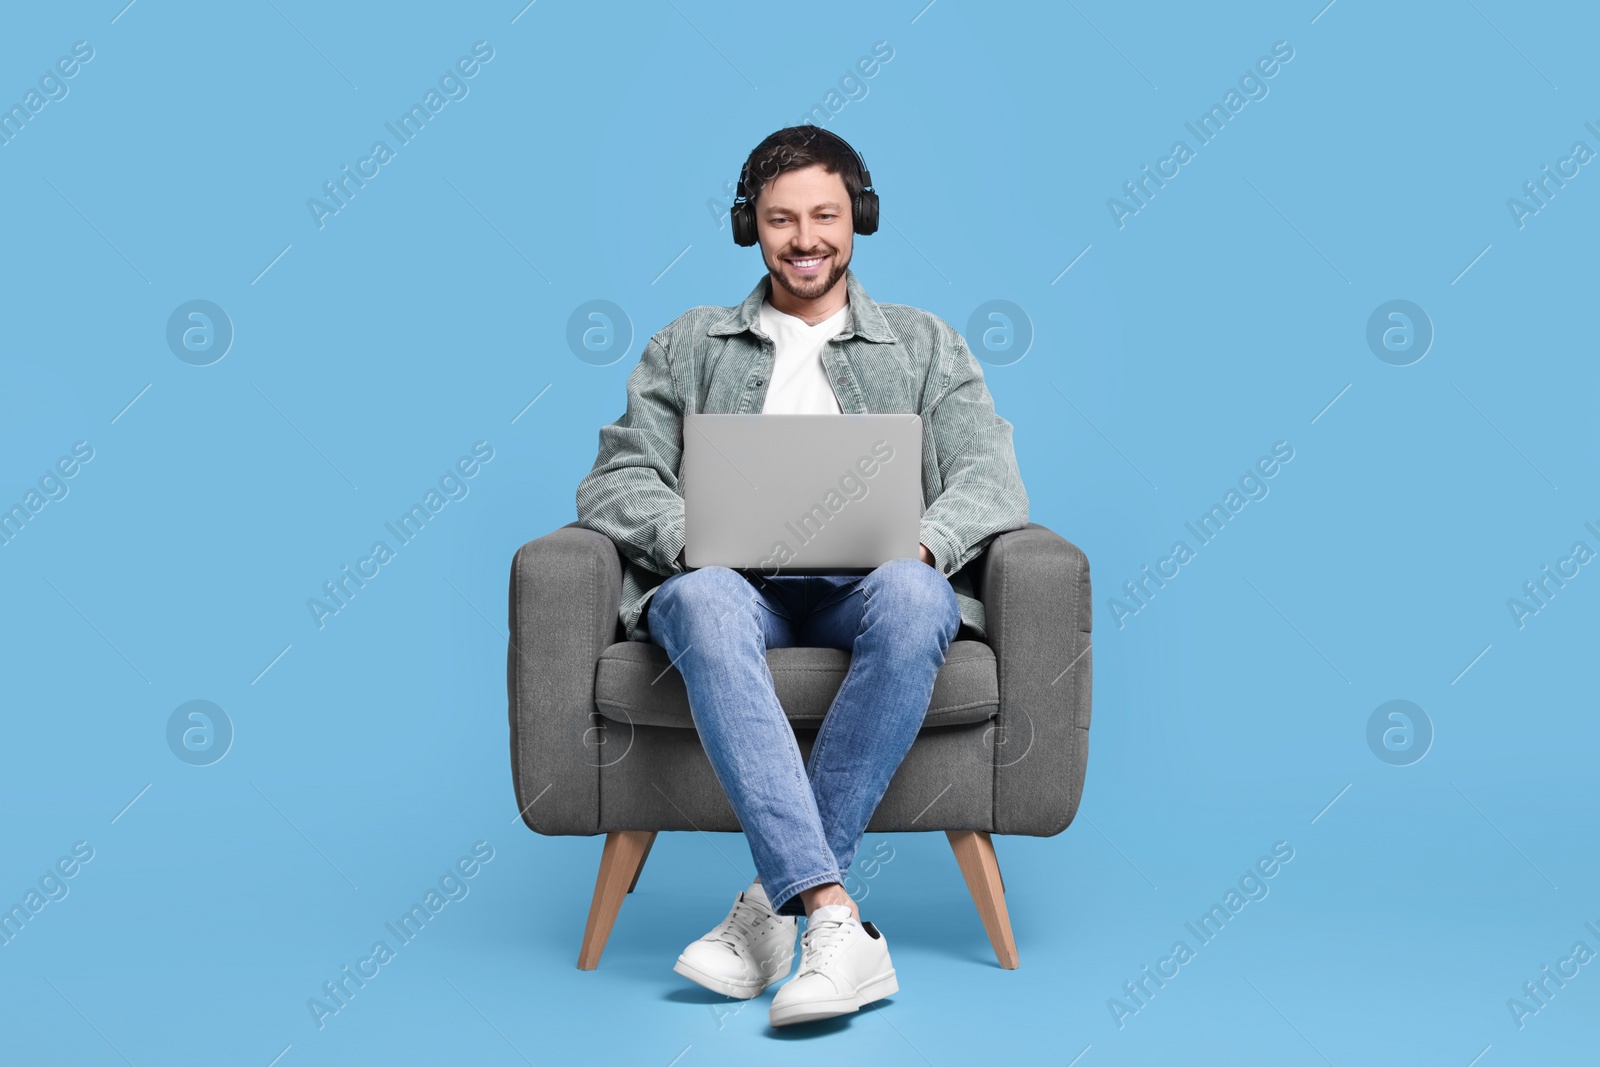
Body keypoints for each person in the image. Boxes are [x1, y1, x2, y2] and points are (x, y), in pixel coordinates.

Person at [575, 126, 1028, 1027]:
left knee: (915, 595)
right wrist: (692, 536)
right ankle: (831, 916)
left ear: (857, 217)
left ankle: (767, 912)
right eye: (782, 219)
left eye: (825, 214)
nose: (805, 237)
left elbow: (993, 478)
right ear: (753, 227)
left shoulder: (926, 346)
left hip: (873, 585)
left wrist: (926, 542)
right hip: (739, 587)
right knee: (695, 600)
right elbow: (615, 477)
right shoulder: (689, 343)